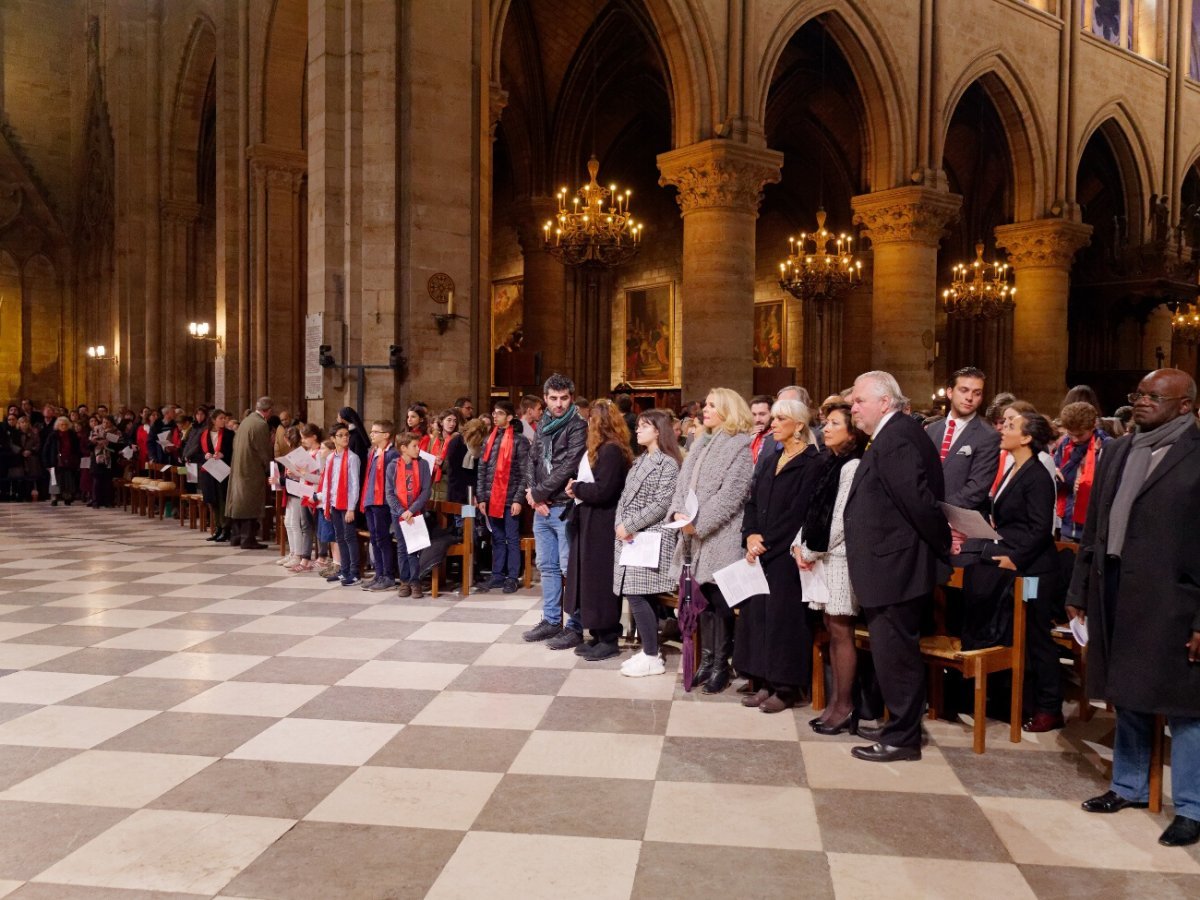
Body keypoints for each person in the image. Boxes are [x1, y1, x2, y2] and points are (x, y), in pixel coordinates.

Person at [1068, 368, 1200, 848]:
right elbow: (1096, 528)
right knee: (1128, 692)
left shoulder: (1195, 454)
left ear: (1184, 405)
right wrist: (1078, 591)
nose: (1142, 402)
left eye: (1154, 397)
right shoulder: (1121, 450)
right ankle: (1127, 785)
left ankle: (1191, 807)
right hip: (1116, 589)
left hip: (1175, 598)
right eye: (1138, 395)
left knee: (1185, 707)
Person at [844, 371, 950, 762]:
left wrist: (940, 546)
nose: (853, 407)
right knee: (892, 651)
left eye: (858, 400)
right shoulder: (891, 435)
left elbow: (919, 502)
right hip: (889, 564)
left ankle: (903, 738)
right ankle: (899, 725)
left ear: (884, 402)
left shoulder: (897, 438)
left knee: (896, 653)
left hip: (895, 566)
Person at [962, 410, 1064, 730]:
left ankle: (1049, 707)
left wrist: (1016, 559)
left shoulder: (1036, 474)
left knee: (1035, 634)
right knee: (1015, 631)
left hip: (1034, 572)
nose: (1003, 429)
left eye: (1010, 426)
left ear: (1026, 438)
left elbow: (1040, 529)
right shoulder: (1013, 468)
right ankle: (1013, 699)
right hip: (1017, 560)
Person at [738, 398, 823, 712]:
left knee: (783, 620)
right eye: (772, 418)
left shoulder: (813, 462)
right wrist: (750, 534)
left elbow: (799, 513)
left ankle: (786, 687)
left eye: (780, 419)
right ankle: (763, 679)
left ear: (799, 425)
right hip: (761, 549)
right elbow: (752, 499)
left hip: (787, 553)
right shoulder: (771, 456)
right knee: (759, 615)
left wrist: (767, 541)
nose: (772, 424)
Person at [667, 387, 755, 693]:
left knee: (719, 603)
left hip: (721, 535)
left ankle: (721, 664)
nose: (705, 409)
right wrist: (679, 513)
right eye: (706, 405)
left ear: (729, 412)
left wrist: (697, 524)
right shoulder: (701, 442)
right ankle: (705, 660)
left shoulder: (740, 448)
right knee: (700, 599)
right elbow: (683, 482)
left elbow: (731, 496)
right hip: (694, 535)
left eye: (713, 406)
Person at [798, 403, 868, 735]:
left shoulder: (853, 465)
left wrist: (811, 550)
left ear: (852, 433)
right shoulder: (831, 461)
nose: (825, 428)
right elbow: (814, 510)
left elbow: (841, 518)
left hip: (839, 559)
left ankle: (845, 706)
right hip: (821, 557)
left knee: (841, 631)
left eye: (835, 423)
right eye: (825, 423)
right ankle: (834, 704)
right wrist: (799, 544)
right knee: (830, 627)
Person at [562, 400, 633, 661]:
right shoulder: (601, 448)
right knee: (589, 580)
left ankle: (609, 637)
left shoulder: (612, 451)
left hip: (603, 524)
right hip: (590, 520)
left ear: (600, 423)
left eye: (592, 420)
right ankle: (597, 634)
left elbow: (605, 490)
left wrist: (577, 489)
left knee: (601, 581)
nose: (589, 424)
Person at [521, 373, 589, 647]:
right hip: (542, 508)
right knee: (547, 567)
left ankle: (574, 626)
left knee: (568, 568)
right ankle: (551, 621)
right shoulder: (545, 423)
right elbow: (532, 459)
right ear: (546, 398)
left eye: (563, 399)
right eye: (553, 399)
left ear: (571, 398)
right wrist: (533, 494)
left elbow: (569, 465)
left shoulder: (577, 425)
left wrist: (539, 493)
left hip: (564, 508)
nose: (558, 404)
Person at [614, 409, 682, 677]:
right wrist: (620, 523)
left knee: (637, 593)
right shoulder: (641, 460)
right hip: (632, 536)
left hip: (651, 536)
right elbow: (624, 496)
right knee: (635, 594)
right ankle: (648, 650)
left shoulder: (668, 463)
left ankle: (652, 655)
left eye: (644, 426)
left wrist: (629, 525)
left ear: (658, 431)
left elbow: (662, 502)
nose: (637, 430)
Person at [927, 367, 1000, 516]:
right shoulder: (932, 430)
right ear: (949, 392)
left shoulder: (988, 436)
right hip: (926, 518)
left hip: (961, 522)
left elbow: (976, 488)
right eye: (964, 390)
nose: (969, 397)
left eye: (977, 393)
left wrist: (938, 510)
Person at [476, 401, 531, 593]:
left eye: (499, 413)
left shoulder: (519, 441)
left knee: (511, 538)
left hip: (510, 499)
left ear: (509, 417)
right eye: (494, 412)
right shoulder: (488, 440)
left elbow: (525, 473)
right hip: (492, 498)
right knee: (497, 538)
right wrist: (481, 497)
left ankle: (512, 577)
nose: (494, 416)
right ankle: (497, 575)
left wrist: (518, 499)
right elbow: (482, 470)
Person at [1053, 400, 1112, 542]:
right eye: (1070, 433)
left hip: (1092, 524)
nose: (1074, 439)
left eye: (1079, 435)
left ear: (1093, 426)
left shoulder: (1107, 445)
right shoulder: (1065, 443)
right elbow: (1060, 475)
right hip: (1066, 521)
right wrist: (1055, 470)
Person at [387, 431, 432, 598]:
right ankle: (405, 581)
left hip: (416, 511)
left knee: (415, 548)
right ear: (403, 448)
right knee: (402, 547)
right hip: (398, 513)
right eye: (414, 446)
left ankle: (415, 582)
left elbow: (426, 491)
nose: (418, 449)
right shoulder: (393, 466)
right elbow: (389, 493)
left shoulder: (423, 464)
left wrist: (411, 510)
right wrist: (401, 511)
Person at [224, 397, 273, 549]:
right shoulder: (260, 424)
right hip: (251, 469)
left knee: (239, 502)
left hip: (239, 467)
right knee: (249, 503)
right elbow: (264, 451)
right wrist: (270, 467)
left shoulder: (246, 421)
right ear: (268, 411)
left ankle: (236, 536)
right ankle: (248, 539)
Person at [319, 423, 362, 585]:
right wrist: (326, 505)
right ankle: (344, 570)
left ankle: (355, 572)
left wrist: (351, 508)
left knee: (350, 537)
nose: (345, 438)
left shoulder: (352, 458)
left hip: (347, 505)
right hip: (334, 504)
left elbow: (354, 485)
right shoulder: (330, 458)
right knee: (339, 538)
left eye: (346, 435)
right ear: (333, 439)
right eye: (341, 435)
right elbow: (327, 483)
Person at [360, 419, 399, 592]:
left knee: (383, 539)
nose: (371, 434)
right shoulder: (373, 452)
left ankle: (388, 576)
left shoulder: (392, 455)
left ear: (386, 435)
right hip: (370, 500)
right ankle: (379, 573)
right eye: (372, 431)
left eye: (375, 432)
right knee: (374, 539)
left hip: (382, 502)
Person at [196, 409, 235, 542]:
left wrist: (223, 454)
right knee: (213, 501)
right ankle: (217, 528)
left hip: (223, 470)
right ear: (213, 420)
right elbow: (198, 453)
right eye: (221, 418)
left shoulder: (229, 434)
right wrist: (205, 455)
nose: (224, 420)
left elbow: (233, 452)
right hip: (209, 471)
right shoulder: (204, 434)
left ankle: (226, 529)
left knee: (223, 499)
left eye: (225, 418)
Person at [42, 416, 81, 506]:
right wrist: (46, 464)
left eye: (65, 425)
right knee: (54, 480)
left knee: (67, 480)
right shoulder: (53, 435)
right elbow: (46, 450)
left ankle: (67, 496)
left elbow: (76, 449)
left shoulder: (72, 435)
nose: (63, 426)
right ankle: (54, 498)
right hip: (55, 461)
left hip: (69, 461)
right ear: (58, 425)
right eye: (61, 425)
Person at [748, 394, 773, 464]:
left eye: (762, 414)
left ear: (772, 414)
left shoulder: (777, 437)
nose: (757, 419)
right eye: (754, 414)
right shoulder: (750, 436)